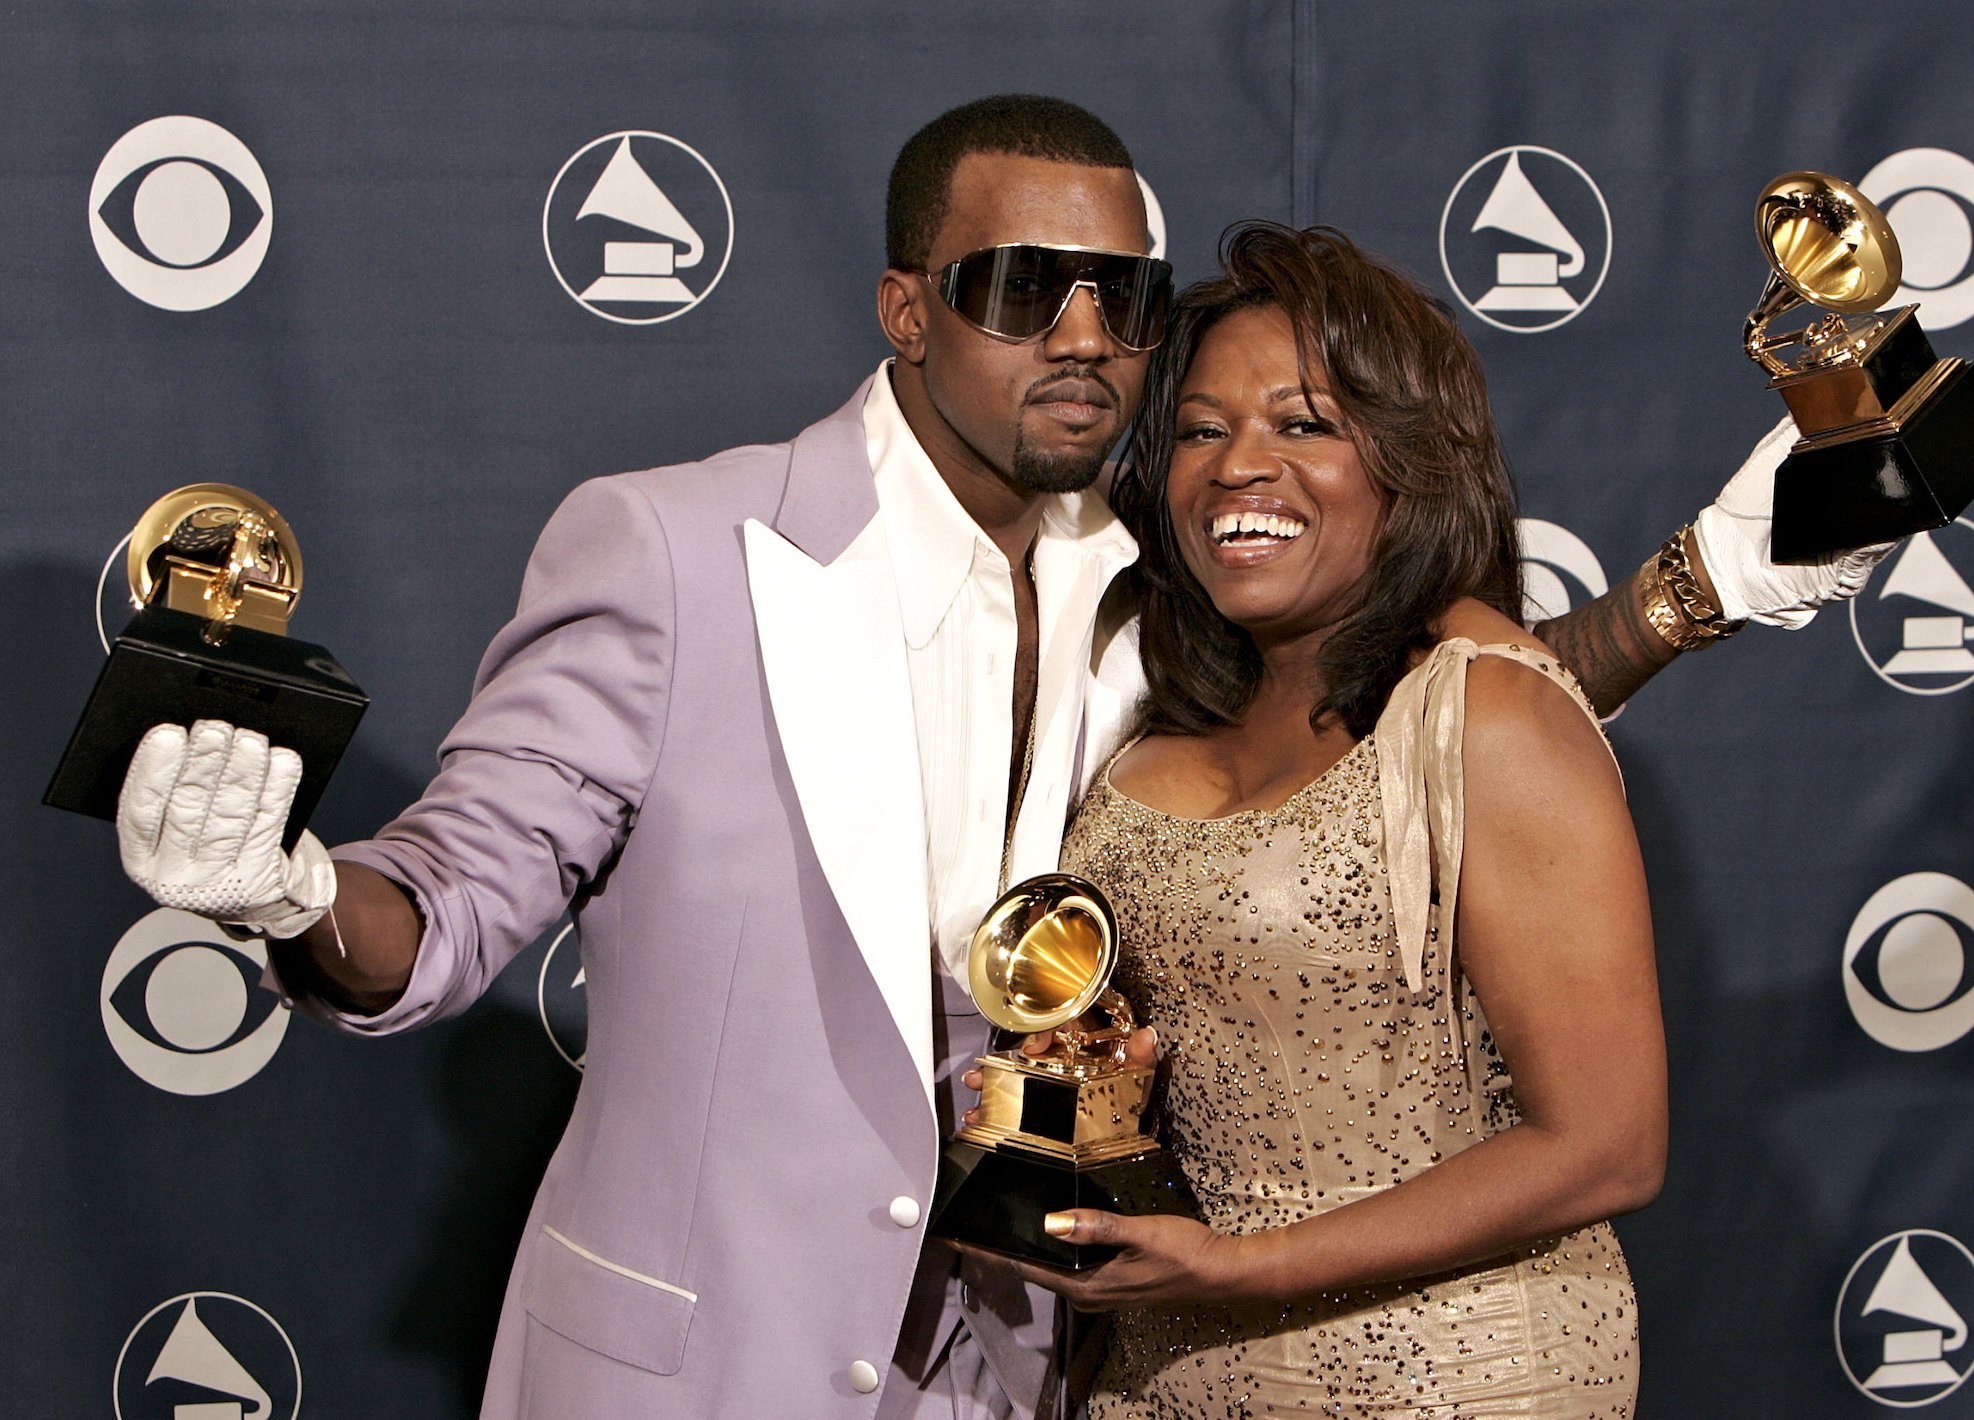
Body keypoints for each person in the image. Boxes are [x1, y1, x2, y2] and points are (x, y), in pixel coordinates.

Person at [110, 98, 1881, 1418]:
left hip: (1024, 1376)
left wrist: (1710, 586)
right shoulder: (676, 549)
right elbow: (448, 900)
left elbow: (1393, 748)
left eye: (1123, 294)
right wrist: (287, 889)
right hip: (701, 1372)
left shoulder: (1176, 583)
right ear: (907, 307)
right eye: (1023, 289)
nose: (1088, 338)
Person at [981, 223, 1665, 1416]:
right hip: (1165, 1368)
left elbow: (1606, 1143)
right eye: (1201, 428)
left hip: (1455, 1376)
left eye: (1303, 424)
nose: (1240, 464)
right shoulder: (1155, 714)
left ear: (1407, 460)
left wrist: (1243, 1267)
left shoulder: (1485, 711)